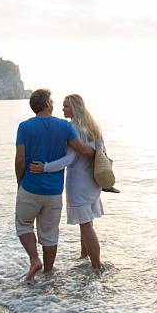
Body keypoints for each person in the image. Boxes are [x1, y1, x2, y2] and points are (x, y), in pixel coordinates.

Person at [15, 89, 95, 282]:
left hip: (30, 188)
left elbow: (20, 159)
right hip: (54, 192)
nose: (54, 104)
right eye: (51, 100)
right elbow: (82, 150)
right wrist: (98, 155)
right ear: (46, 104)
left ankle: (35, 260)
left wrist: (20, 181)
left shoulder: (24, 127)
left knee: (24, 225)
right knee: (50, 234)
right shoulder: (64, 126)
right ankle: (48, 274)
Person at [30, 94, 105, 271]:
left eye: (66, 106)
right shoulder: (94, 127)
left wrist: (45, 167)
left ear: (75, 109)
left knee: (85, 225)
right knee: (87, 222)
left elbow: (69, 159)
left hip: (78, 183)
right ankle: (84, 258)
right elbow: (101, 153)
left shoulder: (72, 128)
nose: (62, 109)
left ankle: (97, 266)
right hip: (94, 181)